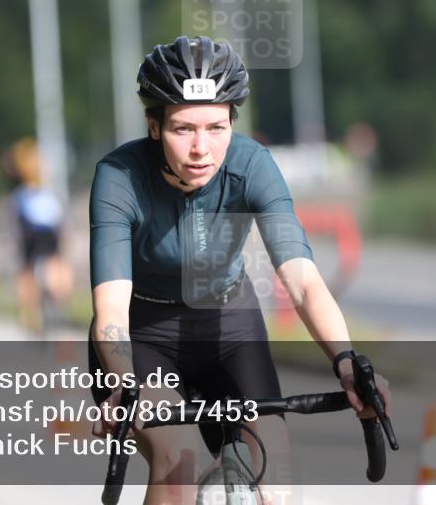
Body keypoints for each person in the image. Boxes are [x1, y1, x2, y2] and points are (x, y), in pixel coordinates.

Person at [88, 36, 390, 505]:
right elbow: (110, 304)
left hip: (228, 321)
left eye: (216, 127)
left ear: (232, 121)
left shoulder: (252, 165)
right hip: (144, 332)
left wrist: (346, 361)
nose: (201, 148)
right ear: (154, 126)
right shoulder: (119, 176)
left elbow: (303, 282)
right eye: (183, 129)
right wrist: (124, 381)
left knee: (275, 474)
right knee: (179, 463)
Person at [6, 138, 72, 334]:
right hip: (48, 231)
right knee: (55, 262)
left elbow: (14, 216)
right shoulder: (48, 193)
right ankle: (57, 298)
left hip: (31, 231)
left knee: (26, 268)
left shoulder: (21, 194)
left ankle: (30, 308)